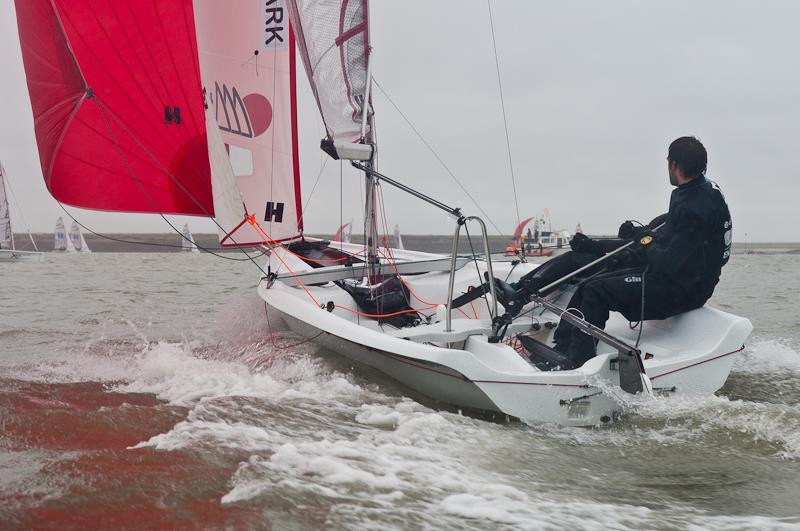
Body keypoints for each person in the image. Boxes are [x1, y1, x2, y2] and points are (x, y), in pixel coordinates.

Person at [552, 136, 733, 368]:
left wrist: (645, 241)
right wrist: (643, 235)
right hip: (683, 277)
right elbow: (676, 240)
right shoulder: (701, 189)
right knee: (590, 282)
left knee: (596, 291)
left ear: (674, 165)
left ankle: (577, 363)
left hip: (683, 290)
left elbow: (667, 262)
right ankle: (562, 345)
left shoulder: (693, 208)